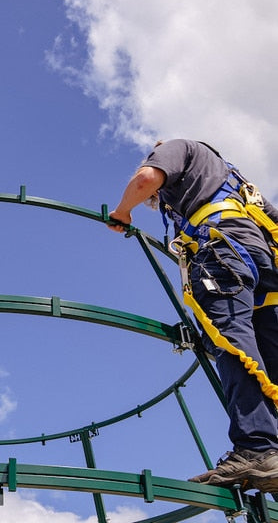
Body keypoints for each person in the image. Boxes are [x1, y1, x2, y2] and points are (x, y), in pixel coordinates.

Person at [108, 138, 278, 493]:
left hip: (221, 250)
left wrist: (123, 211)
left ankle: (258, 448)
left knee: (230, 340)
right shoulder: (235, 181)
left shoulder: (177, 148)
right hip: (262, 261)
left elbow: (146, 179)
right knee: (269, 356)